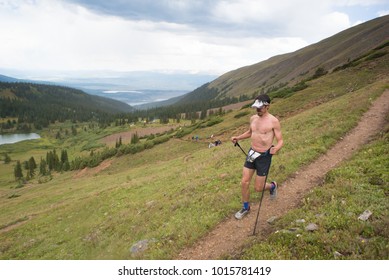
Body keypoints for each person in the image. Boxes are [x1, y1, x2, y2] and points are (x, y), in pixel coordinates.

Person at [231, 94, 284, 219]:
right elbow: (250, 132)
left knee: (258, 188)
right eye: (256, 108)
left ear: (267, 106)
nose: (257, 110)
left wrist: (276, 148)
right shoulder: (253, 118)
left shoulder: (273, 121)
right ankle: (246, 207)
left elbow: (280, 140)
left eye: (260, 108)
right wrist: (238, 137)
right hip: (252, 152)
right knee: (244, 182)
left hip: (264, 156)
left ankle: (272, 186)